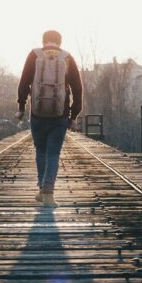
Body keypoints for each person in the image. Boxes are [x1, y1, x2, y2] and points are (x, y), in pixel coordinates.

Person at [16, 29, 84, 208]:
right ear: (59, 43)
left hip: (37, 114)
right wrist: (74, 115)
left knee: (41, 151)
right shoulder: (67, 57)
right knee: (53, 153)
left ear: (44, 41)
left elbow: (23, 83)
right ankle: (48, 193)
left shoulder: (34, 55)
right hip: (60, 114)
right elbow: (77, 88)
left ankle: (42, 189)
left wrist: (21, 106)